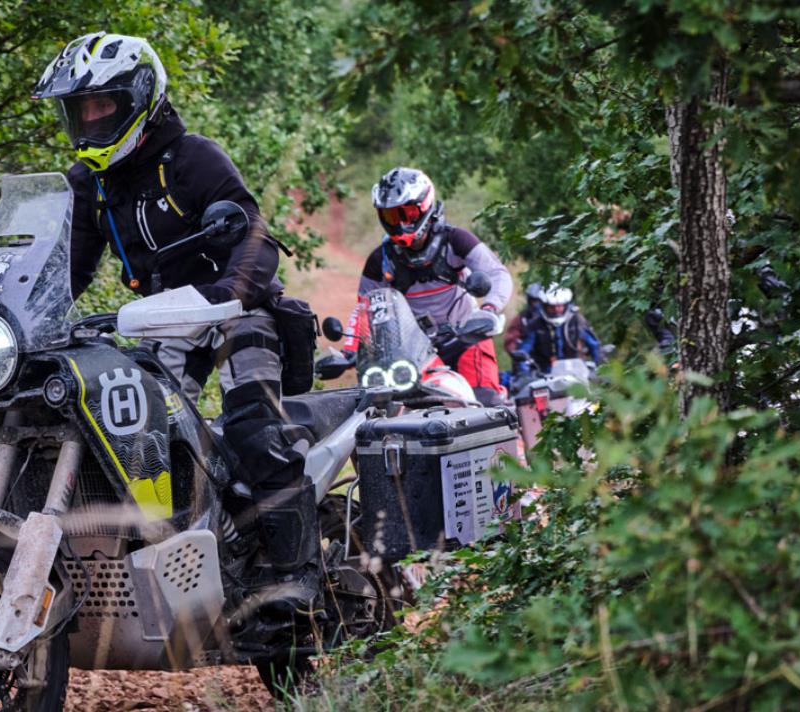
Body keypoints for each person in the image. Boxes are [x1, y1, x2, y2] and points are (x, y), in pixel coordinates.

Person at [33, 32, 318, 611]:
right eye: (79, 110)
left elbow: (255, 239)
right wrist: (24, 294)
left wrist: (226, 294)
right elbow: (69, 267)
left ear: (139, 96)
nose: (89, 120)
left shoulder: (192, 158)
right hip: (160, 319)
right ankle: (187, 552)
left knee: (254, 431)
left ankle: (299, 576)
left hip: (237, 310)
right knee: (133, 438)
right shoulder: (90, 184)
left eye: (102, 105)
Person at [341, 167, 513, 405]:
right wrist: (348, 350)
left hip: (466, 337)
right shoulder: (380, 259)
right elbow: (364, 308)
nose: (399, 223)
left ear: (424, 206)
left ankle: (509, 439)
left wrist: (490, 309)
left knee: (486, 403)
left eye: (406, 213)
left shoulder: (456, 240)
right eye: (391, 216)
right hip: (415, 351)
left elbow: (497, 273)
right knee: (399, 409)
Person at [513, 284, 602, 373]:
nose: (556, 310)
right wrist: (524, 372)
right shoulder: (535, 324)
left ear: (565, 305)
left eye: (559, 306)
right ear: (545, 306)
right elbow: (524, 350)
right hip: (543, 374)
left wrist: (600, 366)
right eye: (552, 307)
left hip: (576, 372)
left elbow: (594, 345)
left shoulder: (577, 321)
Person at [504, 282, 543, 354]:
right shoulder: (522, 319)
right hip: (527, 359)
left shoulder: (556, 319)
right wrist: (515, 351)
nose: (535, 305)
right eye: (533, 301)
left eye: (538, 301)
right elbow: (510, 340)